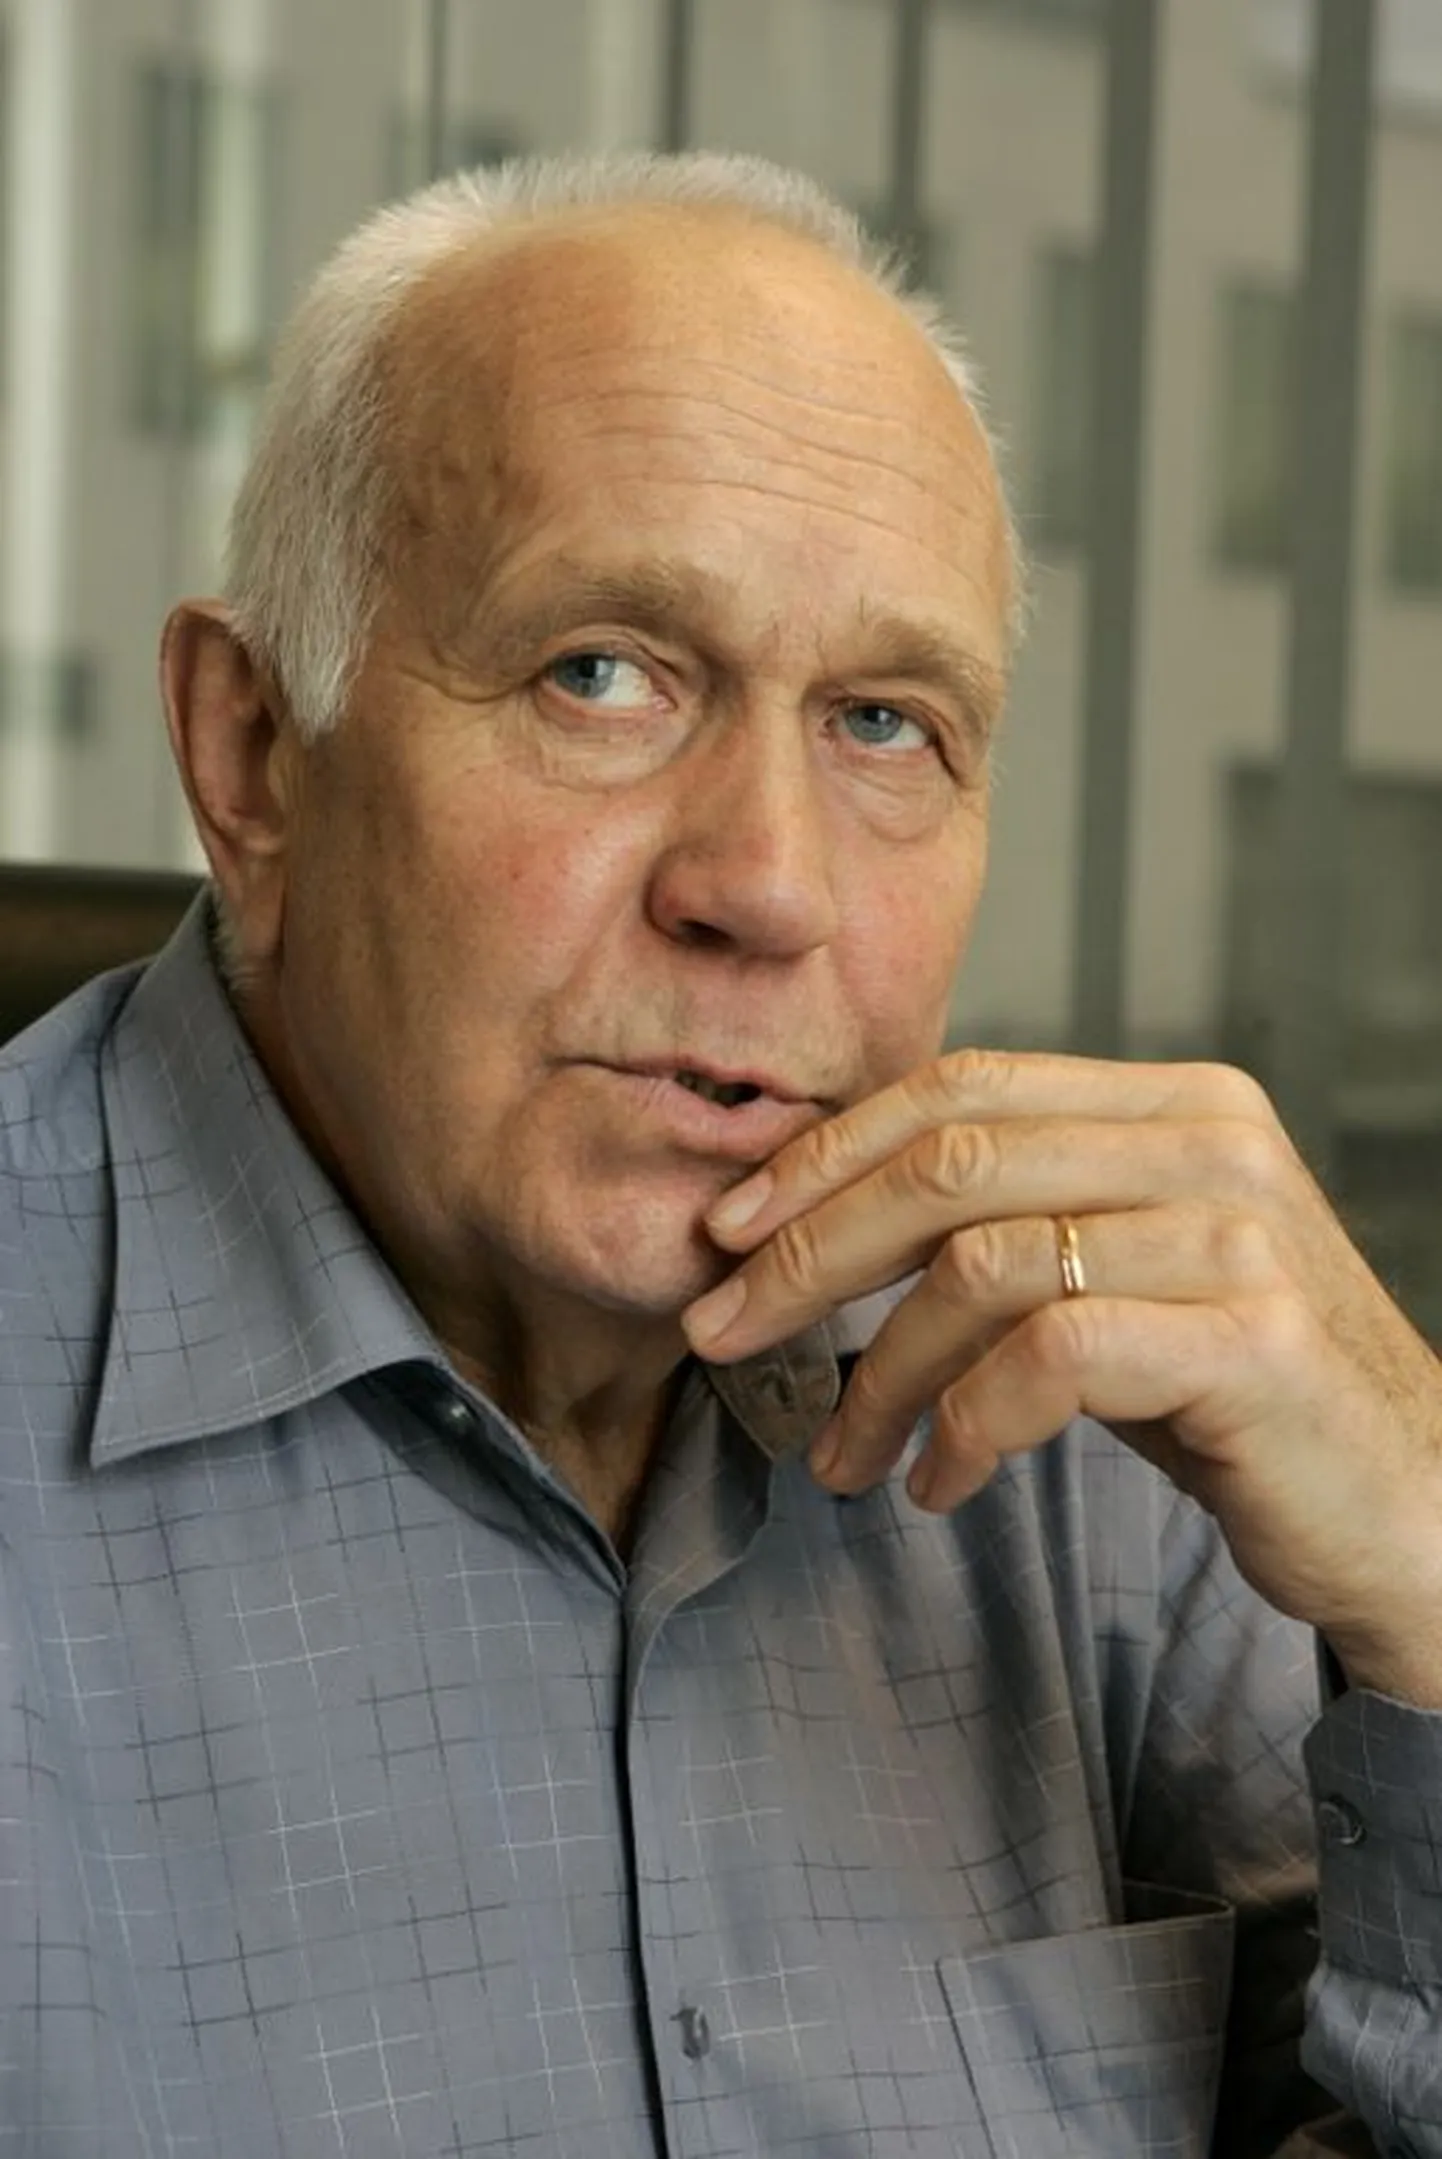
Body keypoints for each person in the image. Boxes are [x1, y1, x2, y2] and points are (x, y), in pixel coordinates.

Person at [1, 151, 1439, 2159]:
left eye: (883, 722)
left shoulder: (1093, 1410)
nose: (766, 885)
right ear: (252, 753)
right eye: (599, 673)